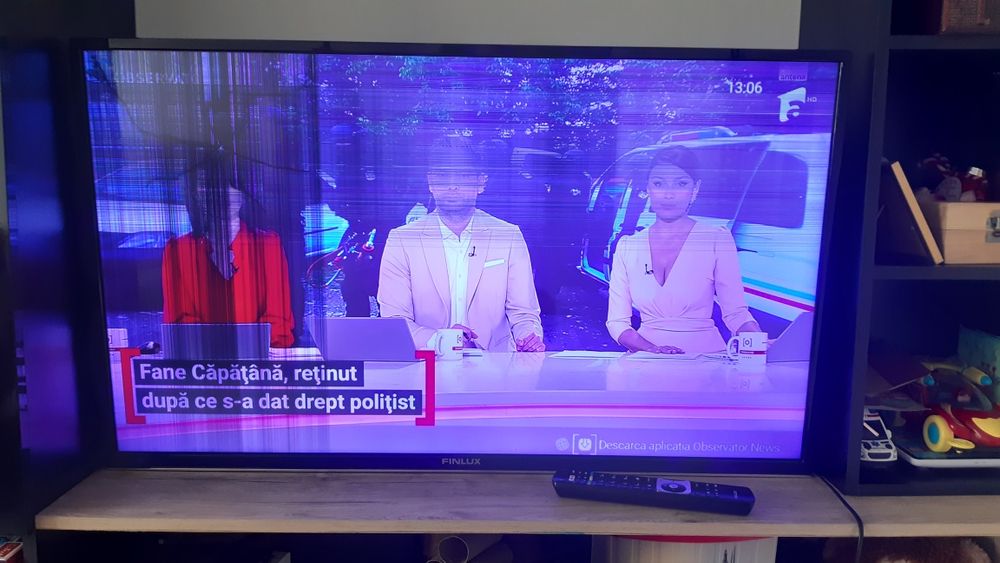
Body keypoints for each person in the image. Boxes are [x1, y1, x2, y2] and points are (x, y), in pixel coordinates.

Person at [377, 135, 544, 352]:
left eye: (463, 176)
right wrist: (443, 340)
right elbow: (395, 321)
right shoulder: (403, 240)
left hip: (496, 364)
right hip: (428, 364)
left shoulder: (507, 236)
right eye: (443, 176)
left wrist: (528, 338)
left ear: (481, 182)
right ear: (431, 183)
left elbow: (524, 313)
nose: (453, 186)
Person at [606, 145, 760, 354]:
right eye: (659, 183)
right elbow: (617, 323)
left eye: (681, 183)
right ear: (648, 188)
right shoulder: (628, 247)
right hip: (645, 362)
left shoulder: (715, 239)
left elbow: (736, 314)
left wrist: (758, 343)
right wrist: (652, 349)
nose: (668, 194)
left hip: (706, 360)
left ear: (695, 189)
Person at [162, 154, 295, 347]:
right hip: (200, 362)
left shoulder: (269, 247)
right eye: (212, 185)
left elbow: (278, 325)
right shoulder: (177, 251)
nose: (224, 193)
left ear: (245, 192)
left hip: (259, 362)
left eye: (233, 185)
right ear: (197, 194)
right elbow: (180, 326)